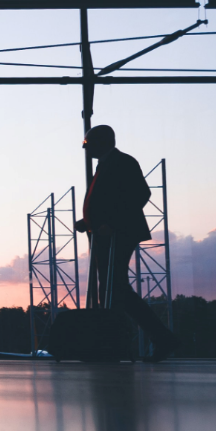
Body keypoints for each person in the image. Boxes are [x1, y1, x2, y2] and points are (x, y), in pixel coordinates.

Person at [79, 125, 180, 362]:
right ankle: (152, 338)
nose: (85, 147)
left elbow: (140, 194)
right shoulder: (107, 164)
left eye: (87, 143)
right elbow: (112, 200)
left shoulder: (122, 162)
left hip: (117, 235)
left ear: (102, 142)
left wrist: (111, 224)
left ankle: (125, 342)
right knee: (115, 289)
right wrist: (88, 221)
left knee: (114, 288)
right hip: (106, 234)